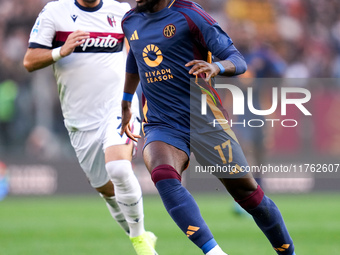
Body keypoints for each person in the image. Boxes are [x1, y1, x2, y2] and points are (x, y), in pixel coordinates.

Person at [120, 0, 296, 255]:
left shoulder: (190, 15)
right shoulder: (130, 20)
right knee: (162, 173)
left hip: (206, 122)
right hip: (162, 123)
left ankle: (288, 253)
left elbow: (237, 60)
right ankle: (214, 252)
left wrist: (216, 66)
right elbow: (135, 58)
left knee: (249, 194)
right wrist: (126, 100)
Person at [23, 0, 158, 254]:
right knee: (106, 189)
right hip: (79, 119)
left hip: (119, 106)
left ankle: (141, 243)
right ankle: (139, 235)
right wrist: (60, 51)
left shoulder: (120, 11)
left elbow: (139, 54)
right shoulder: (55, 12)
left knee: (118, 167)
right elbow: (29, 60)